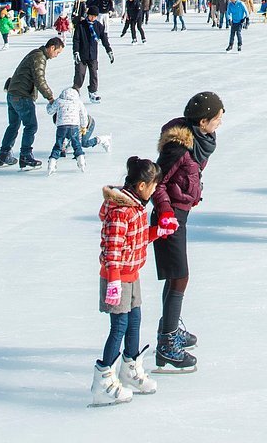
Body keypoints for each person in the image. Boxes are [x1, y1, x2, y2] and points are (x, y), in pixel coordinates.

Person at [92, 157, 177, 406]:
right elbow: (112, 249)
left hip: (132, 275)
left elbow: (135, 239)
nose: (154, 190)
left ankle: (129, 369)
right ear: (141, 186)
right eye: (153, 186)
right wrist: (114, 281)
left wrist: (158, 231)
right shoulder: (121, 211)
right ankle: (103, 379)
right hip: (116, 278)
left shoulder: (137, 207)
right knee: (118, 327)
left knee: (134, 321)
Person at [151, 91, 224, 373]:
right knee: (179, 277)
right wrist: (167, 212)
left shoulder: (199, 141)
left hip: (180, 211)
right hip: (169, 216)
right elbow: (156, 183)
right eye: (217, 119)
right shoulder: (178, 148)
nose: (219, 124)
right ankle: (167, 344)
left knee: (176, 276)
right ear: (203, 121)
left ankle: (168, 331)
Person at [0, 36, 65, 169]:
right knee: (31, 126)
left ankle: (4, 154)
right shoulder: (39, 57)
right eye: (57, 52)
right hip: (22, 96)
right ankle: (26, 155)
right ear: (52, 47)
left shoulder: (35, 54)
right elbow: (39, 80)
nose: (56, 55)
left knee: (13, 125)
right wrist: (50, 97)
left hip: (12, 94)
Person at [47, 84, 92, 174]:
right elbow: (83, 114)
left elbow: (50, 111)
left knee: (58, 145)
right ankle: (81, 162)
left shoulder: (59, 101)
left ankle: (52, 163)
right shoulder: (78, 102)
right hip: (74, 126)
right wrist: (83, 126)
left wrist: (49, 104)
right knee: (77, 145)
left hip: (61, 126)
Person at [73, 7, 114, 102]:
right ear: (88, 15)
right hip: (82, 54)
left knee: (94, 73)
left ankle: (93, 92)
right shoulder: (81, 25)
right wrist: (76, 52)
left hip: (93, 55)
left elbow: (104, 40)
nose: (93, 18)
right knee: (79, 73)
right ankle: (75, 91)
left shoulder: (99, 26)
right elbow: (76, 40)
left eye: (95, 16)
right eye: (91, 16)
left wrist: (109, 51)